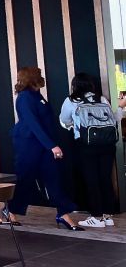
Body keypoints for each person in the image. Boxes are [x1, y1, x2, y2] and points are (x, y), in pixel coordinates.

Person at [4, 66, 80, 230]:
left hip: (43, 144)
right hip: (29, 145)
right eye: (38, 74)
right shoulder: (25, 97)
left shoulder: (37, 96)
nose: (42, 77)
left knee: (53, 178)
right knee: (25, 179)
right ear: (32, 77)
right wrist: (52, 145)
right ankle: (10, 210)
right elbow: (33, 124)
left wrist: (51, 144)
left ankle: (63, 213)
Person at [59, 73, 120, 228]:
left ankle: (97, 217)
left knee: (91, 179)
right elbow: (113, 118)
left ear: (75, 85)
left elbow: (64, 120)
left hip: (86, 144)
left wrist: (72, 126)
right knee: (105, 179)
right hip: (107, 144)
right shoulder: (102, 99)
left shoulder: (71, 100)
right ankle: (108, 216)